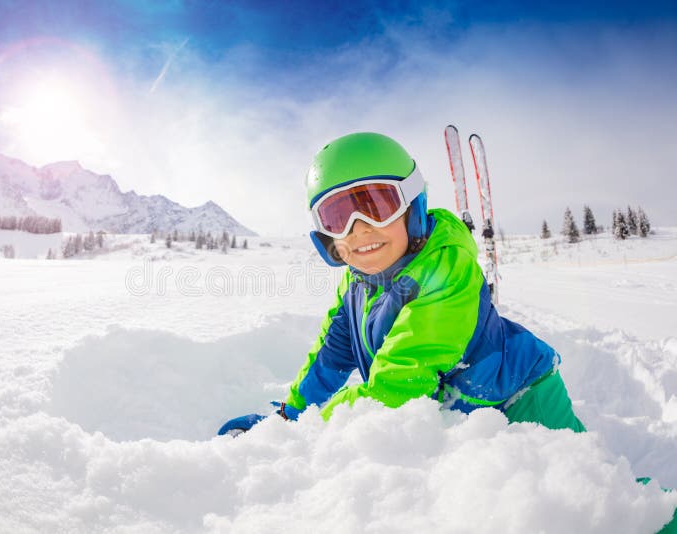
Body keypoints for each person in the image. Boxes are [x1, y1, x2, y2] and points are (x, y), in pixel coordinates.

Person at [218, 132, 585, 436]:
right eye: (337, 216)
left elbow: (396, 388)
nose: (359, 228)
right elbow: (330, 358)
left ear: (412, 206)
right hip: (459, 417)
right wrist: (290, 415)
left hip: (520, 398)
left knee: (584, 501)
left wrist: (302, 434)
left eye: (377, 205)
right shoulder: (357, 282)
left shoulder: (445, 270)